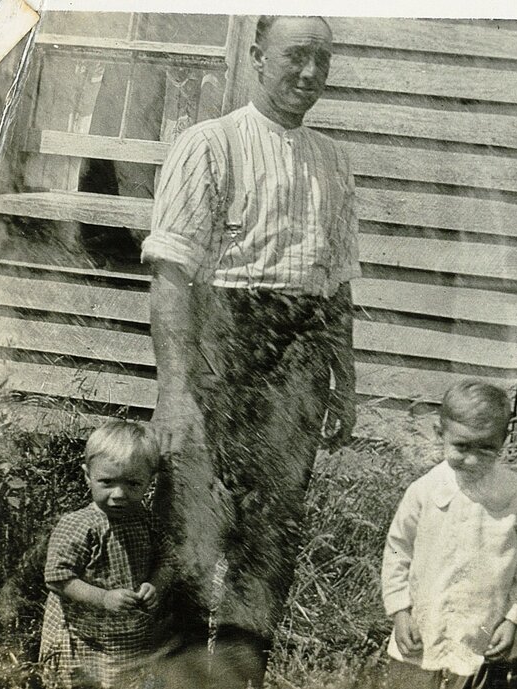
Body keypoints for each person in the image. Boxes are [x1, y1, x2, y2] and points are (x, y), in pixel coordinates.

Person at [140, 14, 360, 688]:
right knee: (192, 542)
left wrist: (344, 380)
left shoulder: (332, 159)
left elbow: (339, 282)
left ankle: (237, 680)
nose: (309, 73)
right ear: (259, 57)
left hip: (299, 362)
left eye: (323, 59)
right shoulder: (210, 144)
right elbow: (171, 276)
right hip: (220, 351)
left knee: (268, 547)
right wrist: (175, 390)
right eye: (296, 56)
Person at [381, 381, 517, 689]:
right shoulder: (424, 491)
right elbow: (398, 551)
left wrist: (515, 618)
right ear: (441, 434)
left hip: (487, 630)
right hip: (425, 625)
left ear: (504, 438)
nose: (472, 460)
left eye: (486, 448)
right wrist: (400, 611)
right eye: (461, 447)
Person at [40, 421, 171, 689]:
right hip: (82, 634)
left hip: (126, 637)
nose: (119, 494)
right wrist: (102, 598)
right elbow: (57, 577)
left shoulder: (147, 522)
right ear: (88, 475)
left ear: (150, 481)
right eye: (107, 482)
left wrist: (155, 585)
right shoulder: (79, 525)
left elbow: (168, 560)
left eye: (133, 484)